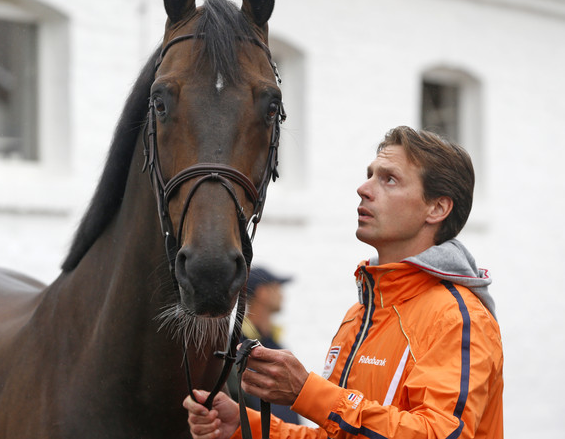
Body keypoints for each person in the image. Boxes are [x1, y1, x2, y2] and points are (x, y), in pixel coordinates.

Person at [184, 126, 504, 439]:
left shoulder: (458, 318)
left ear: (437, 208)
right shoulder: (360, 314)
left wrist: (308, 392)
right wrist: (243, 426)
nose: (364, 189)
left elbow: (439, 434)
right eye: (370, 174)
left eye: (389, 179)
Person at [226, 266, 300, 425]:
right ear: (262, 293)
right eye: (277, 287)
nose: (282, 294)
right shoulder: (235, 348)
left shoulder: (276, 343)